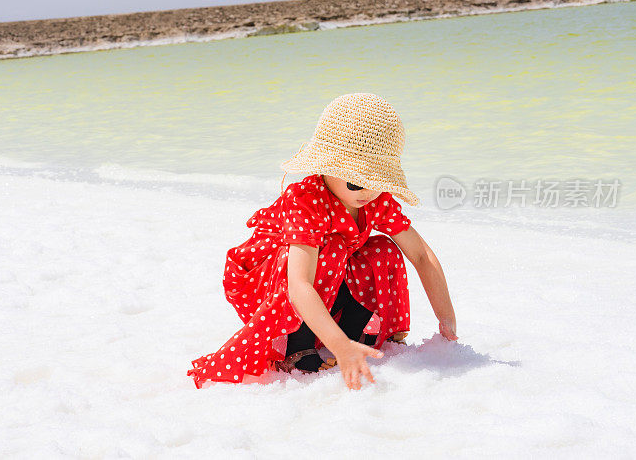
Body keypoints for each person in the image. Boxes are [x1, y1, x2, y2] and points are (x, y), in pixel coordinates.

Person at [187, 93, 458, 390]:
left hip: (327, 283)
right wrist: (337, 346)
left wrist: (446, 318)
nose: (367, 192)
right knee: (331, 250)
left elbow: (420, 256)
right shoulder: (308, 200)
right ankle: (298, 346)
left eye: (378, 180)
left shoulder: (374, 201)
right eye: (355, 180)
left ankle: (351, 333)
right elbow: (299, 284)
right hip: (271, 282)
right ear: (328, 166)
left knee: (383, 250)